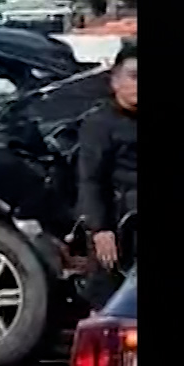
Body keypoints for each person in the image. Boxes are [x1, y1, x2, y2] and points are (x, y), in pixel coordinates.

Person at [77, 44, 137, 310]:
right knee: (109, 305)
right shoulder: (100, 124)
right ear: (115, 80)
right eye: (134, 77)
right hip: (118, 225)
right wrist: (101, 229)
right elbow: (91, 179)